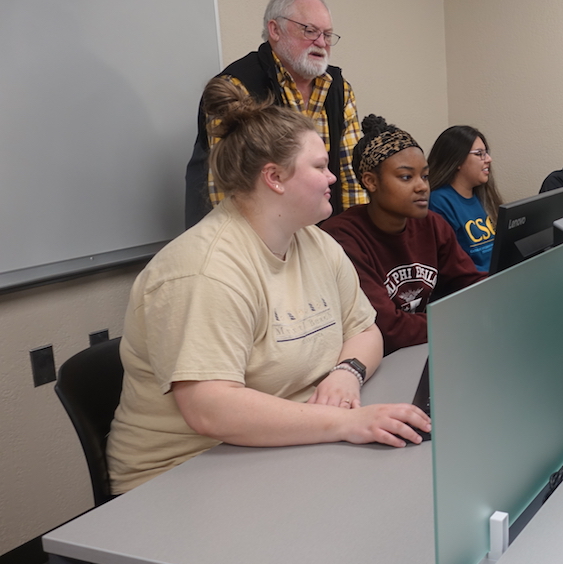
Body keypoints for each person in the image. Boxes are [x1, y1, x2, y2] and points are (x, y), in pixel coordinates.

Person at [108, 78, 429, 494]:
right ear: (274, 177)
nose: (333, 178)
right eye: (319, 167)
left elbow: (365, 330)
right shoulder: (205, 271)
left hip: (278, 448)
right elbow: (212, 409)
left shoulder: (314, 240)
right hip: (183, 475)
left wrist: (347, 373)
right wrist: (347, 422)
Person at [184, 0, 367, 227]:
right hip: (257, 237)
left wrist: (353, 240)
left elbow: (351, 178)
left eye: (327, 34)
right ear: (275, 29)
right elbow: (227, 189)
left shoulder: (339, 88)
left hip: (323, 235)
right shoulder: (237, 86)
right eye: (310, 31)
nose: (321, 42)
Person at [322, 115, 487, 354]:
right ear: (371, 182)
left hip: (423, 348)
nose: (422, 186)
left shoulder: (432, 224)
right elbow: (389, 328)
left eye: (425, 176)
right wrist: (461, 321)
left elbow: (471, 283)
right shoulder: (343, 238)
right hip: (375, 362)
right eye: (406, 177)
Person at [427, 125, 504, 273]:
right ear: (457, 160)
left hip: (498, 278)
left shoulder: (483, 197)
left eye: (486, 153)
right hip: (474, 286)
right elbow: (451, 265)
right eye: (479, 153)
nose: (488, 159)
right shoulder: (439, 202)